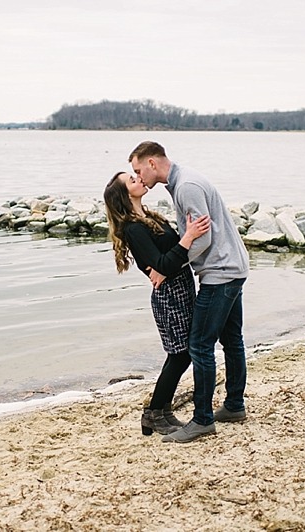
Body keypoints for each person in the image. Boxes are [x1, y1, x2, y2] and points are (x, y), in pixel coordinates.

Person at [128, 141, 250, 443]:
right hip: (231, 267)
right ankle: (234, 405)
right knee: (232, 339)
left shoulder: (187, 186)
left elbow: (202, 238)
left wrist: (166, 268)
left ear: (153, 163)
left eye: (139, 170)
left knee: (199, 345)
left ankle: (202, 420)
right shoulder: (180, 184)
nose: (139, 177)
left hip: (220, 273)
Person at [104, 171, 210, 436]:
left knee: (180, 354)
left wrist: (186, 235)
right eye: (132, 180)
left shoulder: (150, 218)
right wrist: (188, 237)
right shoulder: (134, 228)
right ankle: (152, 413)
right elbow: (162, 264)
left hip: (182, 288)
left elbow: (168, 259)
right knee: (180, 355)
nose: (139, 179)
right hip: (169, 295)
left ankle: (162, 411)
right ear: (125, 195)